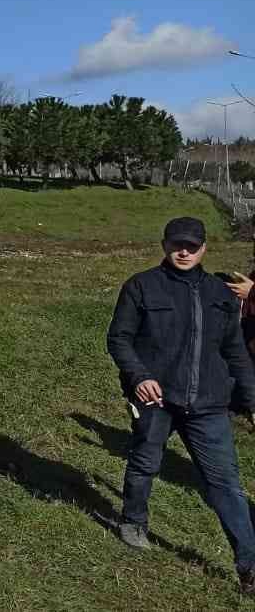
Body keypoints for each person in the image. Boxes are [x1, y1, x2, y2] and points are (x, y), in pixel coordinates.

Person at [106, 216, 255, 593]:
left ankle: (249, 566)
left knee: (226, 484)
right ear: (164, 245)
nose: (184, 252)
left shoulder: (220, 293)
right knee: (145, 460)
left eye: (192, 246)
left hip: (209, 403)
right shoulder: (141, 286)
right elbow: (119, 338)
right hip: (157, 398)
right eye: (177, 245)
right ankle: (133, 521)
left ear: (204, 248)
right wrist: (139, 377)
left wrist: (252, 400)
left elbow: (236, 352)